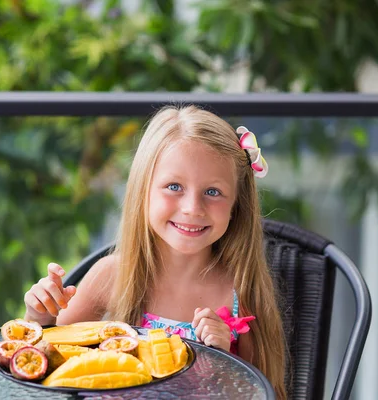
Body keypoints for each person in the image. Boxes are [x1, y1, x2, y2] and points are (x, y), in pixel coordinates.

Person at [23, 105, 287, 399]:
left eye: (212, 192)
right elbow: (46, 365)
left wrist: (222, 360)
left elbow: (264, 392)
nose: (191, 208)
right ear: (143, 191)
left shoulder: (242, 292)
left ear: (237, 205)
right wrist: (39, 317)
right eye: (174, 186)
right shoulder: (112, 276)